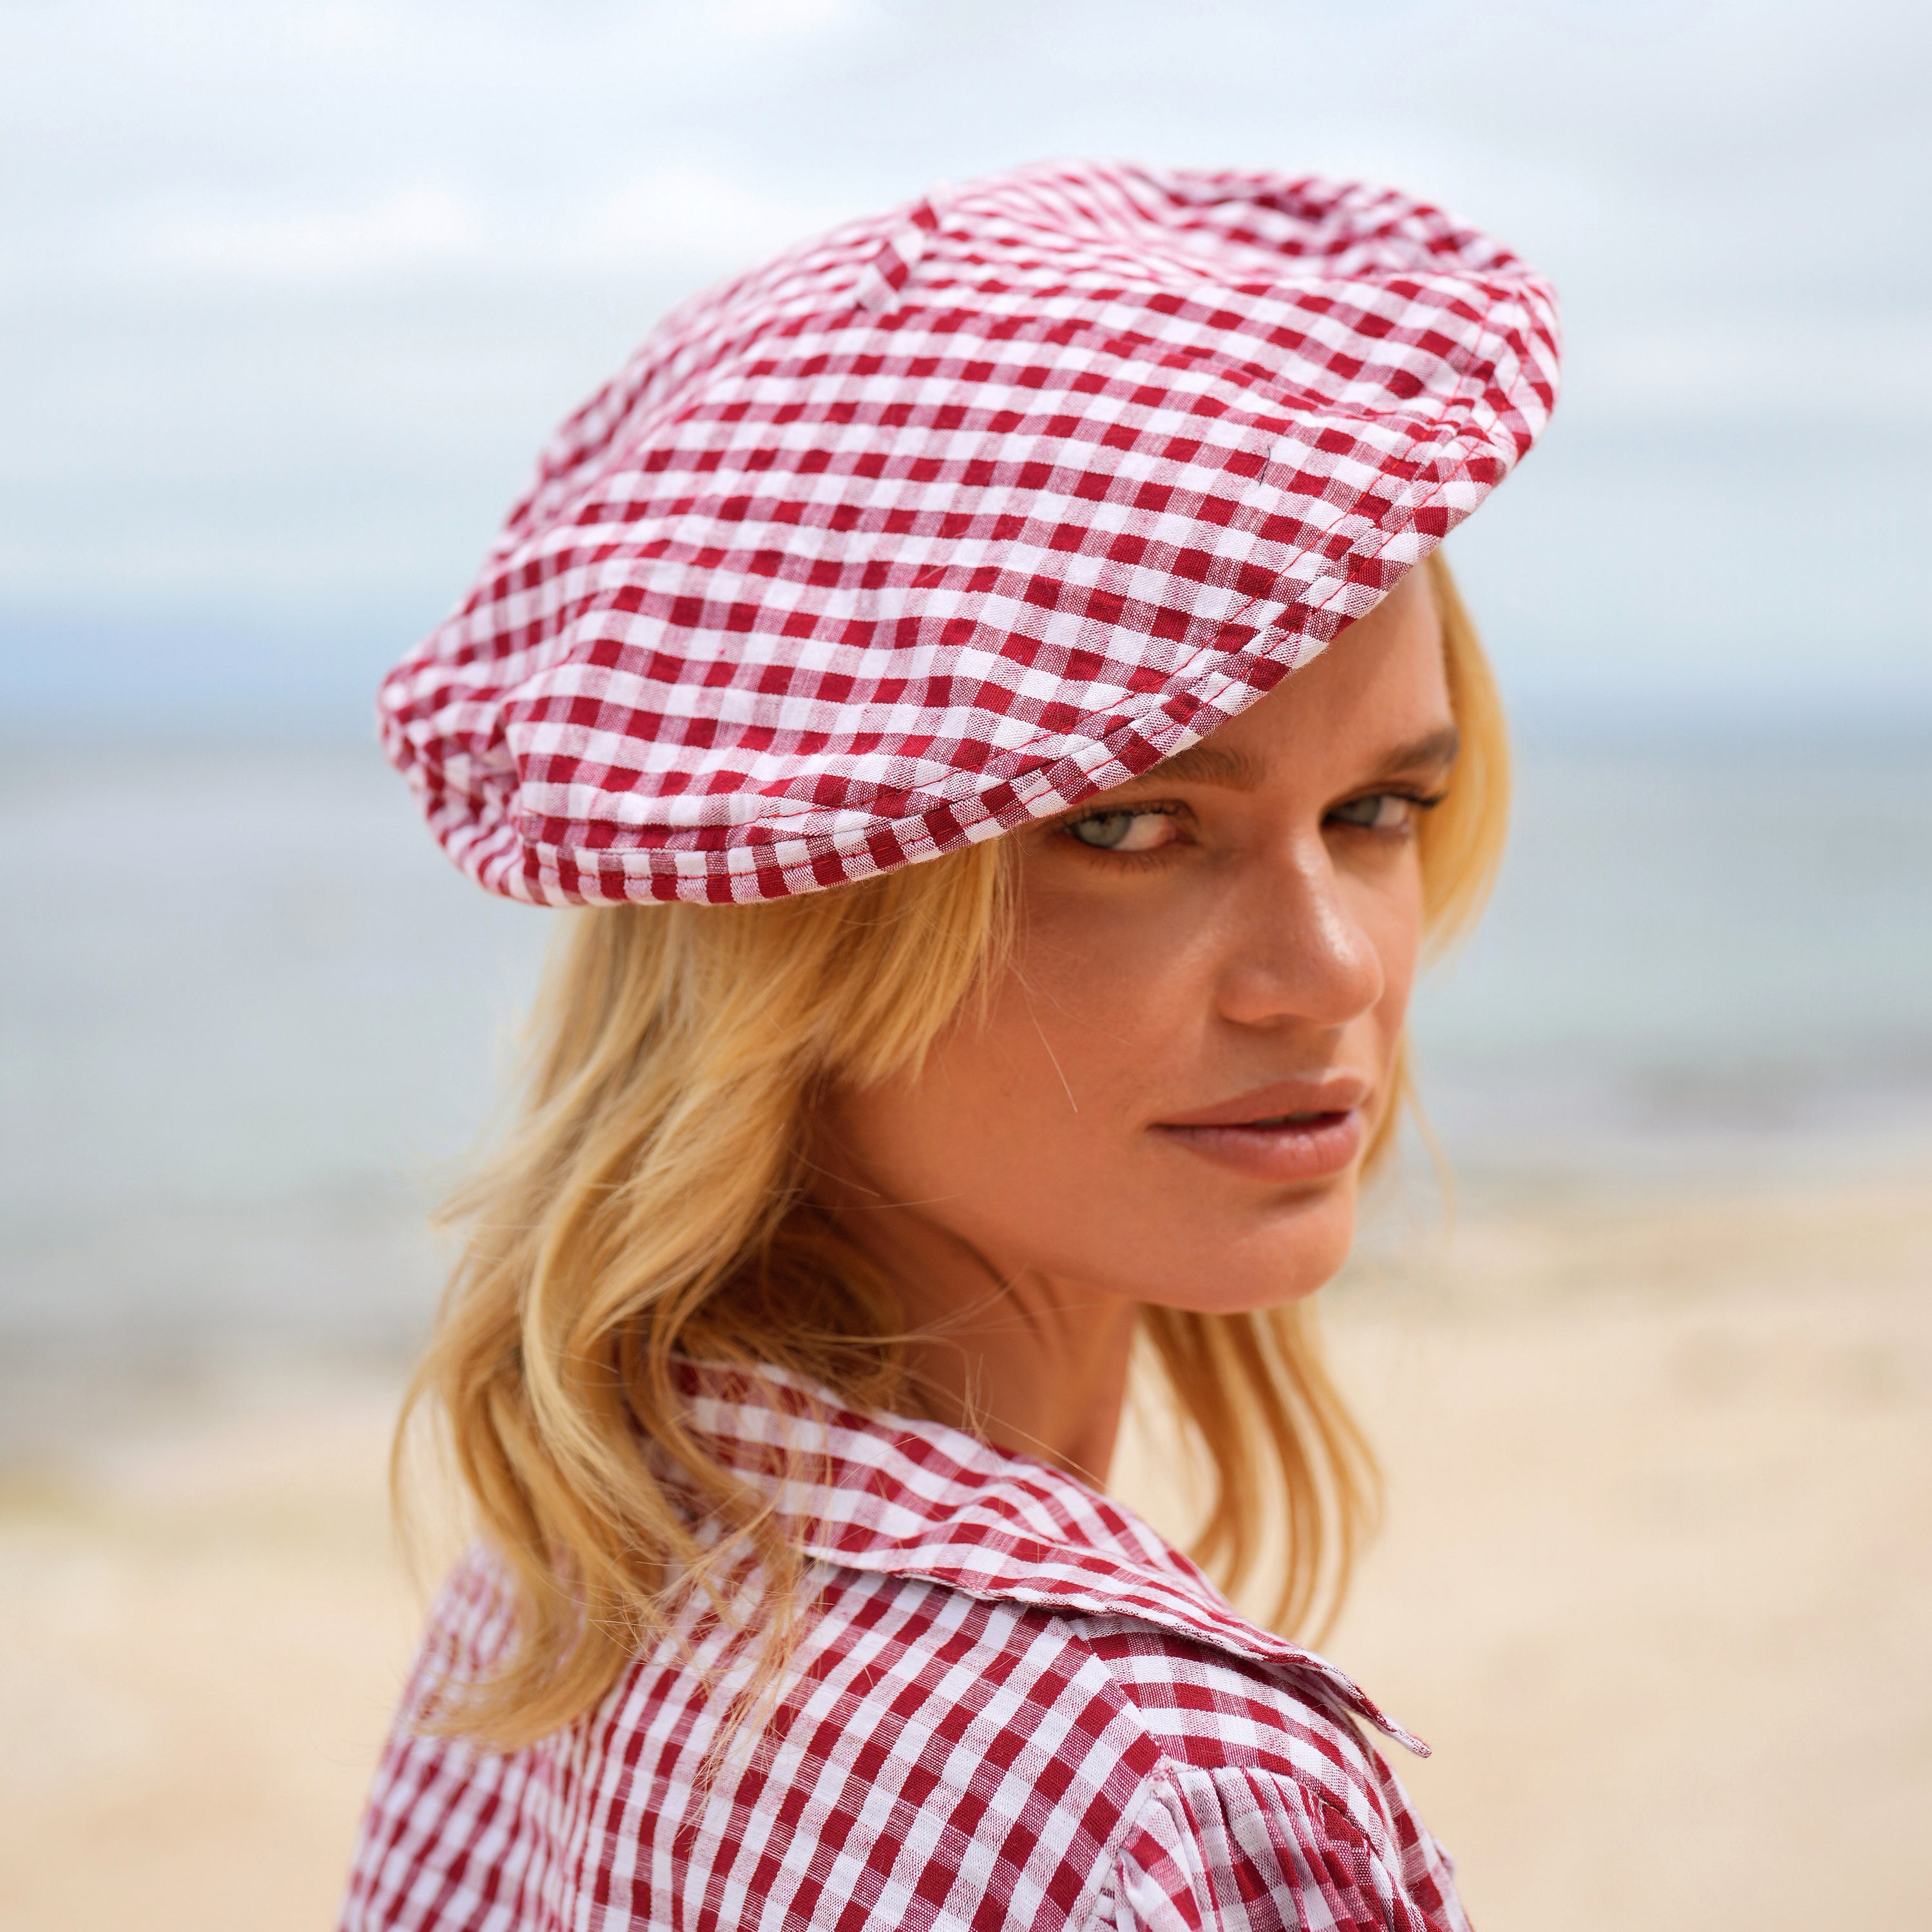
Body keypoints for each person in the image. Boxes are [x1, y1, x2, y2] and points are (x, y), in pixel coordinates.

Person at [341, 159, 1560, 1931]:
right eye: (1132, 828)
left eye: (1380, 808)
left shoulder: (566, 1579)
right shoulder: (1166, 1795)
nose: (1329, 974)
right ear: (802, 933)